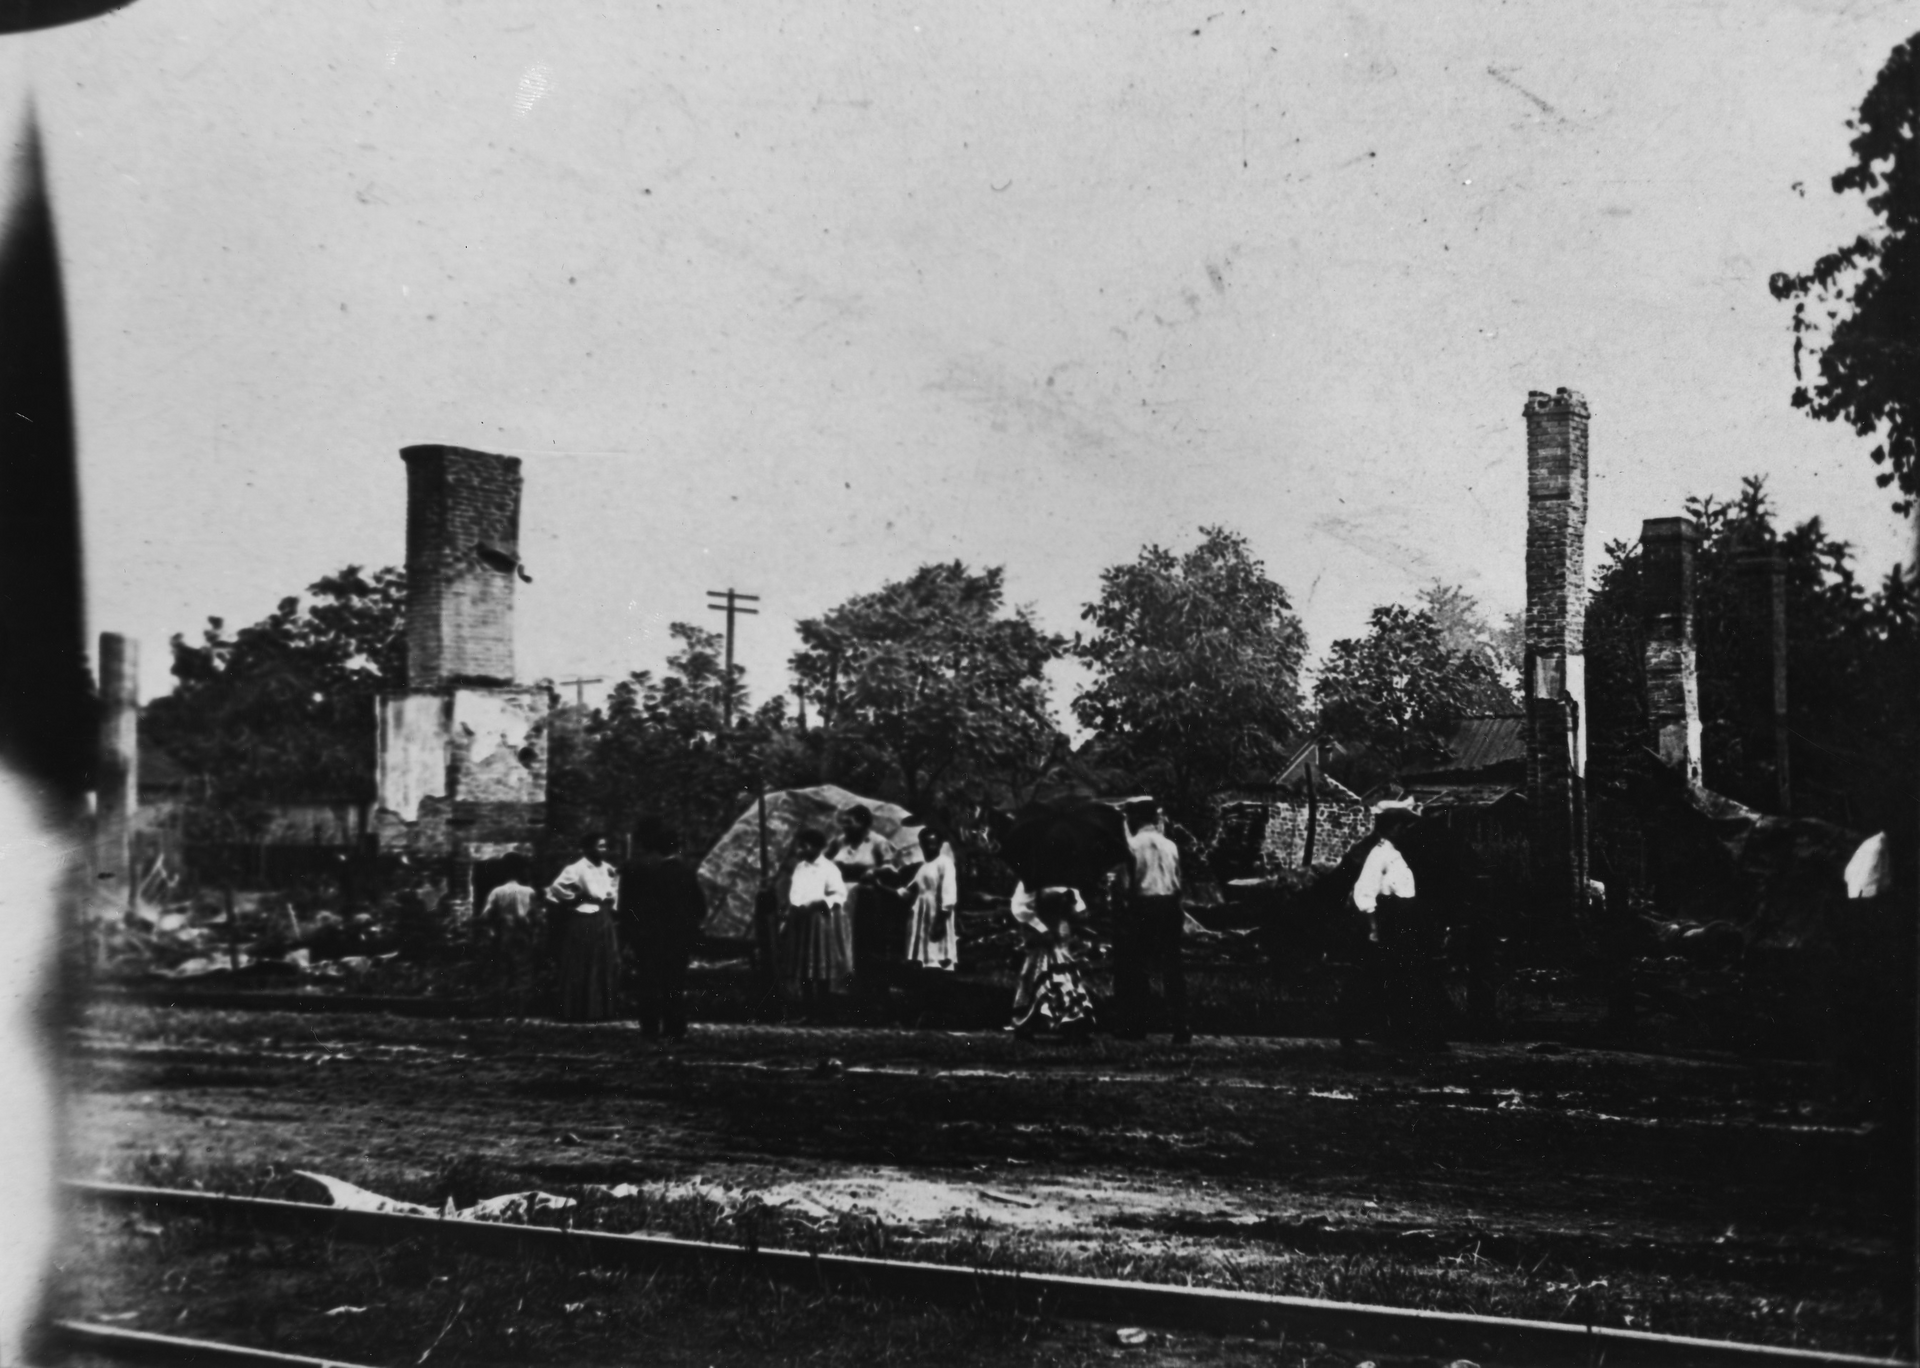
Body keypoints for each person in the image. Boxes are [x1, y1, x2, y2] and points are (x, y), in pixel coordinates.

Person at [1344, 802, 1436, 1048]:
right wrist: (1374, 927)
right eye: (1400, 826)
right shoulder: (1380, 854)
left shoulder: (1400, 854)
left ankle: (1405, 1030)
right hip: (1388, 918)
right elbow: (1365, 892)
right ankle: (1375, 1030)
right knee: (1385, 976)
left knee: (1406, 975)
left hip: (1405, 917)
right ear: (1391, 828)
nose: (1404, 831)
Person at [619, 821, 709, 1041]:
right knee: (675, 982)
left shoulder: (642, 871)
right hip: (678, 937)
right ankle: (674, 1026)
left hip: (649, 937)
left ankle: (650, 1027)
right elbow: (700, 907)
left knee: (648, 982)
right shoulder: (686, 873)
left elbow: (632, 907)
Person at [1114, 801, 1189, 1044]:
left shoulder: (1131, 846)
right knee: (1172, 966)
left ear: (1135, 819)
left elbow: (1125, 885)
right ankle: (1181, 1024)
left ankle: (1137, 1026)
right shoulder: (1171, 846)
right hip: (1169, 905)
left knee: (1136, 967)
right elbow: (1178, 881)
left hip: (1144, 906)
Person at [829, 804, 899, 1010]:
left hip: (866, 897)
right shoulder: (839, 842)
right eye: (844, 823)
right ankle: (835, 981)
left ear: (863, 823)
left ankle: (863, 991)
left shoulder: (878, 842)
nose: (845, 827)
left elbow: (891, 867)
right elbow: (824, 860)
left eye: (850, 822)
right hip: (839, 893)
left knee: (863, 945)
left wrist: (874, 871)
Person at [545, 832, 621, 1022]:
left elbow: (614, 888)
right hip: (583, 918)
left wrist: (611, 899)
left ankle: (601, 1010)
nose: (603, 850)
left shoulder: (608, 868)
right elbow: (555, 888)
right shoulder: (576, 869)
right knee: (582, 961)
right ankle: (578, 1010)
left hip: (603, 917)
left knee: (603, 960)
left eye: (605, 846)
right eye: (599, 846)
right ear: (588, 848)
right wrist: (575, 898)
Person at [1007, 882, 1096, 1040]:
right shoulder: (1030, 881)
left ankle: (1070, 1022)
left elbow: (1079, 912)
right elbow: (1020, 909)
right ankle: (1026, 1023)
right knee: (1036, 976)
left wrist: (1072, 904)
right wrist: (1041, 929)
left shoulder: (1068, 882)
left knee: (1064, 976)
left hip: (1061, 936)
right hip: (1040, 937)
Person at [785, 827, 853, 1012]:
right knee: (804, 963)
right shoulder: (801, 868)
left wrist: (822, 902)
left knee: (821, 962)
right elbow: (795, 893)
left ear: (816, 847)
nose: (801, 851)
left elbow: (839, 894)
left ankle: (822, 1009)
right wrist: (799, 904)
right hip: (803, 919)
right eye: (800, 847)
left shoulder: (829, 869)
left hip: (822, 920)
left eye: (804, 846)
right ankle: (807, 1008)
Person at [478, 855, 538, 1011]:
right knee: (523, 972)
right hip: (522, 933)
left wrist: (495, 922)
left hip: (504, 933)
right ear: (520, 871)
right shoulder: (529, 891)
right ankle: (520, 1013)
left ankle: (502, 1013)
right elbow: (536, 915)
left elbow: (485, 915)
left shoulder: (497, 892)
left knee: (503, 971)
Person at [905, 827, 959, 971]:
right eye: (925, 844)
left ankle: (938, 980)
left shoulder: (945, 862)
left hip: (937, 911)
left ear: (940, 845)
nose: (929, 847)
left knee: (937, 952)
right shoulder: (924, 866)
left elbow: (949, 893)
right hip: (922, 910)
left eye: (933, 843)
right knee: (923, 953)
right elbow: (912, 889)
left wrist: (940, 920)